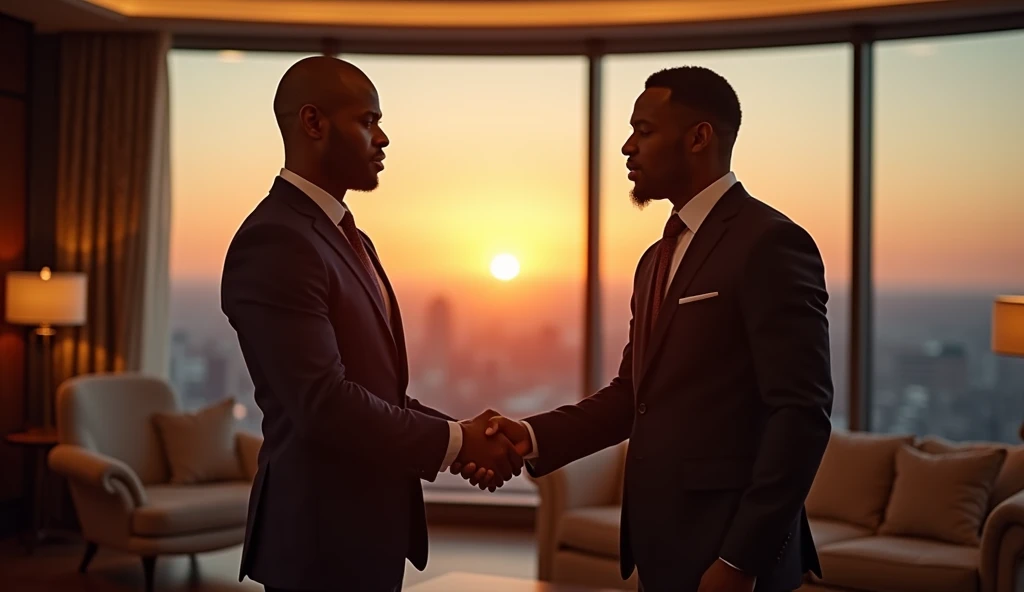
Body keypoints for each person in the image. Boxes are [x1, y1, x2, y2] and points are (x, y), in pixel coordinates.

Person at [476, 66, 834, 592]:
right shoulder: (655, 260)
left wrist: (741, 561)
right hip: (661, 548)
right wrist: (529, 436)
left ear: (698, 137)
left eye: (643, 131)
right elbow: (632, 396)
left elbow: (801, 413)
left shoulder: (771, 243)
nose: (626, 147)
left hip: (732, 559)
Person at [220, 56, 522, 592]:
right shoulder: (276, 241)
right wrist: (459, 442)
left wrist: (462, 434)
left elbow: (378, 390)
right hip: (320, 542)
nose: (383, 139)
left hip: (367, 534)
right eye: (367, 121)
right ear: (313, 123)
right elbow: (325, 403)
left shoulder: (346, 237)